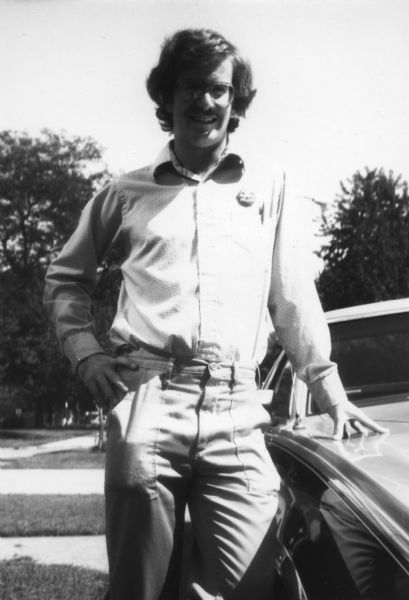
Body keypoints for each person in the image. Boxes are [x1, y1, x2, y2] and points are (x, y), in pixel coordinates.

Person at [43, 28, 387, 600]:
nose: (205, 101)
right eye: (191, 87)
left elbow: (292, 297)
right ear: (167, 98)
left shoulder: (268, 186)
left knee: (252, 584)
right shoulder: (126, 192)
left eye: (219, 89)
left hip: (238, 409)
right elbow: (65, 279)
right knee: (139, 589)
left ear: (236, 100)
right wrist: (87, 355)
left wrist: (331, 392)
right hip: (149, 399)